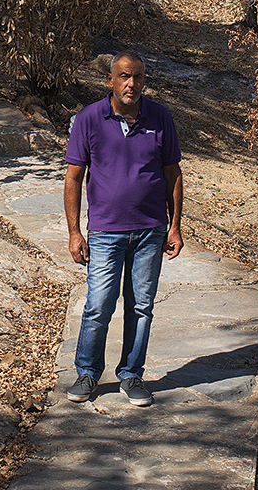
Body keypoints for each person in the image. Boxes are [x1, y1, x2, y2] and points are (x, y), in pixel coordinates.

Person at [62, 52, 183, 407]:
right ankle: (87, 372)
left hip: (150, 231)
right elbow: (73, 178)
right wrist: (74, 232)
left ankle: (131, 375)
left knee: (141, 306)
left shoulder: (160, 117)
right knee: (99, 305)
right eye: (125, 76)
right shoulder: (89, 118)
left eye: (138, 77)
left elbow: (173, 174)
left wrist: (175, 226)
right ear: (110, 80)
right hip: (105, 232)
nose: (132, 84)